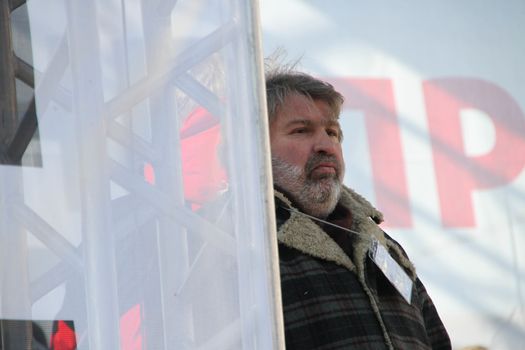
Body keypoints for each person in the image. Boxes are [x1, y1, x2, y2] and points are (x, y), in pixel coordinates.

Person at [266, 66, 451, 349]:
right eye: (301, 130)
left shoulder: (382, 246)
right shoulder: (234, 237)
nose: (326, 145)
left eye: (332, 132)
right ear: (254, 146)